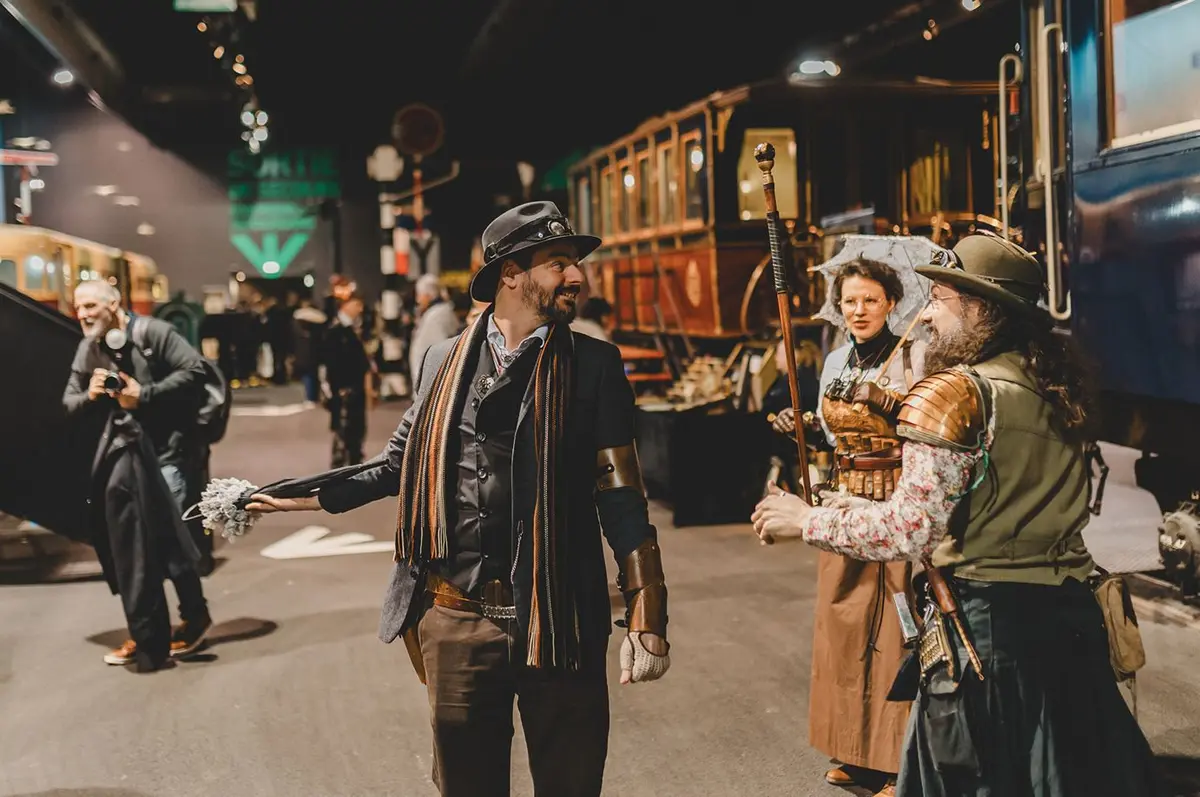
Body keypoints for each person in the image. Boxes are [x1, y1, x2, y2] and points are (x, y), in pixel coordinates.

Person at [244, 200, 671, 797]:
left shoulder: (595, 365)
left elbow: (622, 496)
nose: (577, 276)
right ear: (510, 274)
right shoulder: (441, 360)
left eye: (574, 263)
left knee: (571, 783)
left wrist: (647, 613)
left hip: (561, 617)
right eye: (558, 263)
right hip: (457, 619)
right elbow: (400, 463)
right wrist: (307, 497)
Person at [752, 233, 1167, 796]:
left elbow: (908, 528)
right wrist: (850, 501)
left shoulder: (956, 395)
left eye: (940, 299)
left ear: (981, 309)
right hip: (1068, 622)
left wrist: (805, 520)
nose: (926, 317)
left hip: (991, 634)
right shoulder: (1056, 386)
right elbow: (997, 498)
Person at [771, 258, 926, 797]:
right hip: (844, 505)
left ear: (891, 304)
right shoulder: (836, 358)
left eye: (870, 300)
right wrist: (804, 427)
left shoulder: (914, 358)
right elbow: (834, 441)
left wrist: (891, 405)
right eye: (850, 301)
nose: (859, 310)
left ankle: (898, 762)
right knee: (843, 632)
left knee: (893, 638)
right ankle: (855, 754)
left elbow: (931, 434)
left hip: (895, 508)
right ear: (839, 307)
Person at [62, 279, 214, 672]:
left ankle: (194, 617)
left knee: (173, 541)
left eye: (91, 305)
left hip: (167, 454)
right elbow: (69, 402)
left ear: (114, 303)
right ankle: (151, 631)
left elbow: (196, 370)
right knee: (133, 550)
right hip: (125, 460)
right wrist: (93, 395)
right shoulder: (89, 347)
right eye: (78, 307)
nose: (83, 314)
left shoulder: (154, 332)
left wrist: (143, 395)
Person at [320, 293, 373, 467]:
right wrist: (338, 388)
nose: (360, 309)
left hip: (352, 389)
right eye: (356, 304)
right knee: (347, 431)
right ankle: (344, 467)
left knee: (353, 432)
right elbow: (332, 363)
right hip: (345, 390)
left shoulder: (351, 328)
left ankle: (349, 463)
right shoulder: (337, 331)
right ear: (345, 305)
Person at [409, 273, 462, 382]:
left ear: (428, 295)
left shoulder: (437, 315)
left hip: (433, 381)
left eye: (419, 295)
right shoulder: (437, 312)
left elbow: (438, 352)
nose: (418, 300)